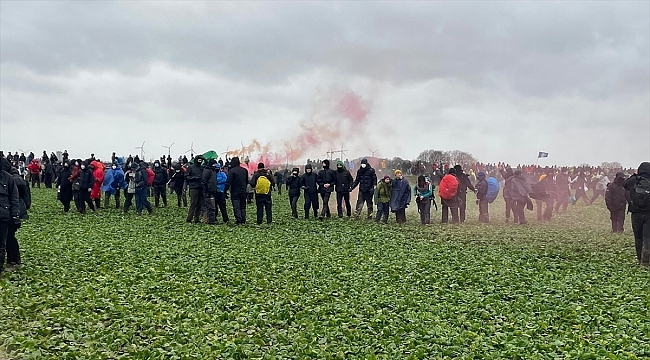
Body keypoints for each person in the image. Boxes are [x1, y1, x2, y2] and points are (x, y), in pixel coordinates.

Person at [623, 162, 650, 267]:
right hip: (649, 214)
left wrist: (634, 175)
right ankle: (646, 261)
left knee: (638, 237)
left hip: (636, 213)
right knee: (648, 237)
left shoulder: (635, 180)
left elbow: (624, 184)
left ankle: (639, 259)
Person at [4, 160, 30, 269]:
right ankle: (14, 259)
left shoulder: (14, 179)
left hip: (14, 210)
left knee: (9, 237)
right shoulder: (15, 177)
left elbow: (17, 197)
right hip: (14, 209)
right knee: (9, 236)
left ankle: (14, 260)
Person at [0, 158, 21, 275]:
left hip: (4, 216)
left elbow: (14, 198)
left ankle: (11, 262)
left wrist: (15, 215)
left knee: (2, 244)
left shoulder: (8, 178)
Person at [225, 156, 249, 225]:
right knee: (243, 206)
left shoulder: (232, 171)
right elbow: (246, 181)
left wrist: (225, 191)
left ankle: (239, 220)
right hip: (243, 191)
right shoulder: (244, 170)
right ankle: (243, 219)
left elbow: (228, 182)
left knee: (236, 206)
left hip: (235, 191)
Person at [185, 156, 205, 223]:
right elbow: (186, 176)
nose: (200, 161)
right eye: (199, 160)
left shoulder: (202, 167)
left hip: (201, 187)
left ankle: (197, 219)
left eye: (201, 160)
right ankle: (189, 218)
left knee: (200, 204)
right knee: (193, 203)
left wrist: (204, 159)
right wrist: (194, 178)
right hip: (193, 187)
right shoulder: (191, 167)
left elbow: (208, 165)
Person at [202, 159, 219, 224]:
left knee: (210, 207)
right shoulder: (207, 171)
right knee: (211, 207)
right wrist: (206, 192)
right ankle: (211, 221)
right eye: (214, 164)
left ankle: (208, 220)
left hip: (213, 191)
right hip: (209, 192)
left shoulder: (213, 170)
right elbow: (204, 182)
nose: (215, 165)